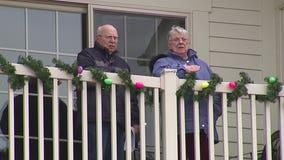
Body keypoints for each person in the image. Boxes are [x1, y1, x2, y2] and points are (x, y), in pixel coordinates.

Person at [150, 25, 222, 160]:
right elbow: (159, 75)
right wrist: (184, 70)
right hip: (178, 127)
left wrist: (212, 115)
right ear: (169, 44)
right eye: (176, 40)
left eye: (184, 39)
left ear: (188, 43)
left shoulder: (202, 65)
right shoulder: (163, 62)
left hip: (204, 128)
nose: (181, 42)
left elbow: (216, 91)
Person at [76, 24, 140, 160]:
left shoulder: (123, 64)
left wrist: (135, 120)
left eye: (115, 38)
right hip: (95, 118)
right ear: (98, 38)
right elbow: (88, 73)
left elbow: (131, 95)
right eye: (109, 37)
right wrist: (115, 74)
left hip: (119, 122)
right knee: (95, 155)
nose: (113, 41)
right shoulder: (87, 55)